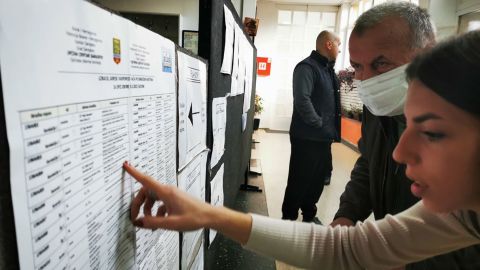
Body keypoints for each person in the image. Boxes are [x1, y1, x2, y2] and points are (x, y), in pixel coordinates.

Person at [125, 30, 480, 269]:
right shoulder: (462, 213)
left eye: (432, 132)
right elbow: (344, 248)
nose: (399, 153)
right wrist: (206, 214)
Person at [330, 3, 480, 269]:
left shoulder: (463, 111)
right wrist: (347, 214)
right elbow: (368, 162)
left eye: (381, 63)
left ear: (428, 53)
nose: (367, 80)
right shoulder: (377, 106)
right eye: (357, 66)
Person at [282, 30, 341, 223]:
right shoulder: (306, 67)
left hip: (323, 137)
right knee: (299, 180)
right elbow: (302, 100)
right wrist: (318, 122)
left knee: (316, 181)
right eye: (338, 45)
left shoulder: (328, 70)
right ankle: (289, 218)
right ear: (329, 45)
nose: (340, 50)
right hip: (307, 136)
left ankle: (309, 214)